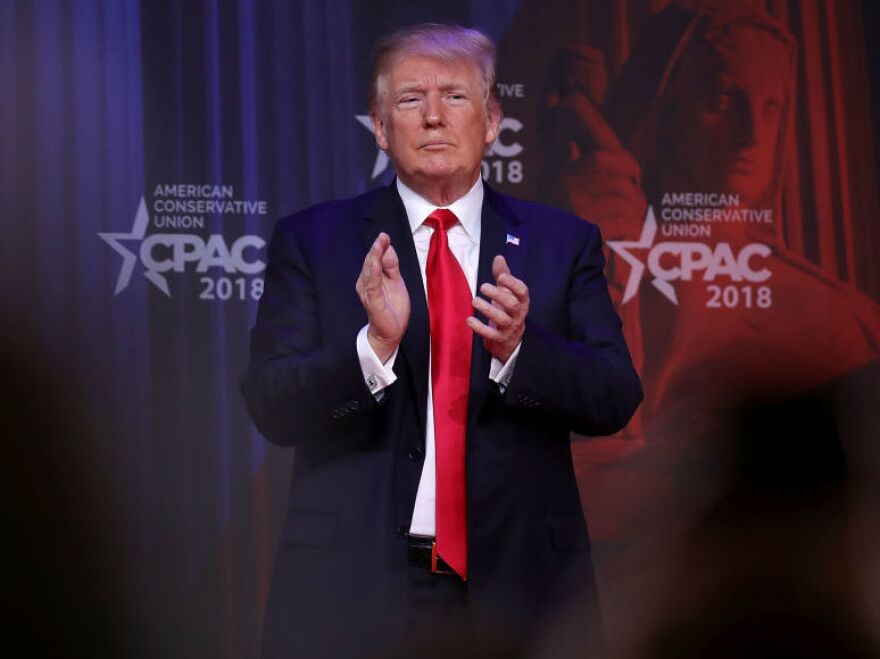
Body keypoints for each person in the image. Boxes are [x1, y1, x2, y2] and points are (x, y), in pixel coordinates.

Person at [242, 23, 642, 658]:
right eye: (408, 100)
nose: (432, 117)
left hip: (521, 588)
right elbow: (272, 403)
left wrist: (519, 350)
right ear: (378, 126)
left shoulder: (563, 242)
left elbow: (614, 396)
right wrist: (372, 347)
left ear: (491, 121)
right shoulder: (314, 241)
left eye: (455, 96)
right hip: (354, 588)